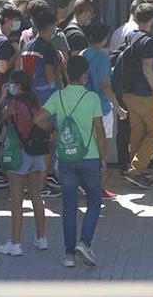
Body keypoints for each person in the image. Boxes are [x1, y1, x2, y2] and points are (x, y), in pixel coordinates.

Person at [34, 57, 107, 268]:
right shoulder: (92, 98)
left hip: (66, 158)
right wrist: (103, 157)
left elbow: (38, 118)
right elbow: (100, 131)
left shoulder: (58, 96)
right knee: (94, 201)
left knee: (69, 206)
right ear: (84, 75)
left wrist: (52, 130)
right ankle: (84, 242)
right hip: (90, 157)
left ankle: (68, 255)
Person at [0, 71, 49, 256]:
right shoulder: (35, 101)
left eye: (11, 84)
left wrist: (2, 96)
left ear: (18, 86)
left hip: (20, 153)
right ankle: (41, 238)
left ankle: (16, 243)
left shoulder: (13, 103)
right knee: (36, 196)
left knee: (17, 200)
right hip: (37, 152)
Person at [81, 22, 127, 200]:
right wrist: (118, 108)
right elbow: (106, 87)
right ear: (105, 38)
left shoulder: (84, 54)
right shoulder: (101, 59)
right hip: (101, 107)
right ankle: (99, 187)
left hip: (84, 106)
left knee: (87, 148)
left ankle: (86, 185)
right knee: (102, 149)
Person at [21, 10, 63, 198]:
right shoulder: (48, 48)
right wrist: (60, 63)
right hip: (46, 98)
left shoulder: (27, 45)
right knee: (47, 141)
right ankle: (42, 184)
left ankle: (28, 182)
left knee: (30, 140)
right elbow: (49, 76)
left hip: (29, 98)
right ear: (51, 25)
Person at [121, 3, 153, 190]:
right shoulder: (148, 41)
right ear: (151, 20)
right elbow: (147, 67)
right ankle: (136, 169)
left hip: (128, 93)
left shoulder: (130, 36)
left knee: (137, 131)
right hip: (144, 94)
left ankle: (134, 168)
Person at [108, 0, 146, 178]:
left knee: (123, 127)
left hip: (118, 83)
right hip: (131, 86)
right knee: (136, 126)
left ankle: (124, 163)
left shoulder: (118, 31)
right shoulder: (136, 32)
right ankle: (133, 165)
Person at [0, 3, 22, 88]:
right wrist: (17, 52)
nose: (18, 22)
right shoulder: (3, 41)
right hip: (2, 86)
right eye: (16, 19)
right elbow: (3, 69)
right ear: (6, 20)